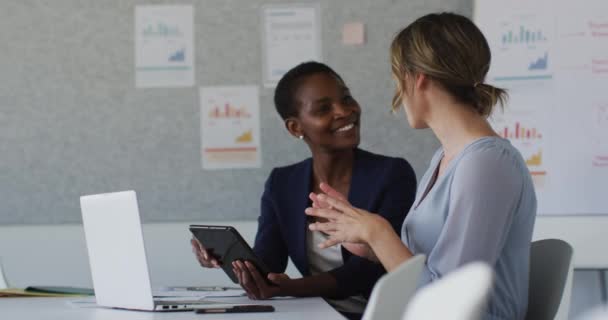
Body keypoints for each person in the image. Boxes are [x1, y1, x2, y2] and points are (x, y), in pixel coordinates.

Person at [305, 13, 537, 320]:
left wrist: (378, 233)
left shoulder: (487, 164)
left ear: (418, 78)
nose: (398, 95)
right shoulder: (444, 159)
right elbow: (427, 268)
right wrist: (366, 241)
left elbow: (450, 302)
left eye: (397, 79)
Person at [191, 62, 417, 319]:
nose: (344, 111)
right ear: (295, 128)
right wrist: (223, 256)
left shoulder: (392, 174)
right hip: (317, 314)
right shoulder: (282, 182)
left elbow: (368, 269)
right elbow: (270, 262)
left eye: (346, 98)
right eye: (324, 108)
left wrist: (289, 288)